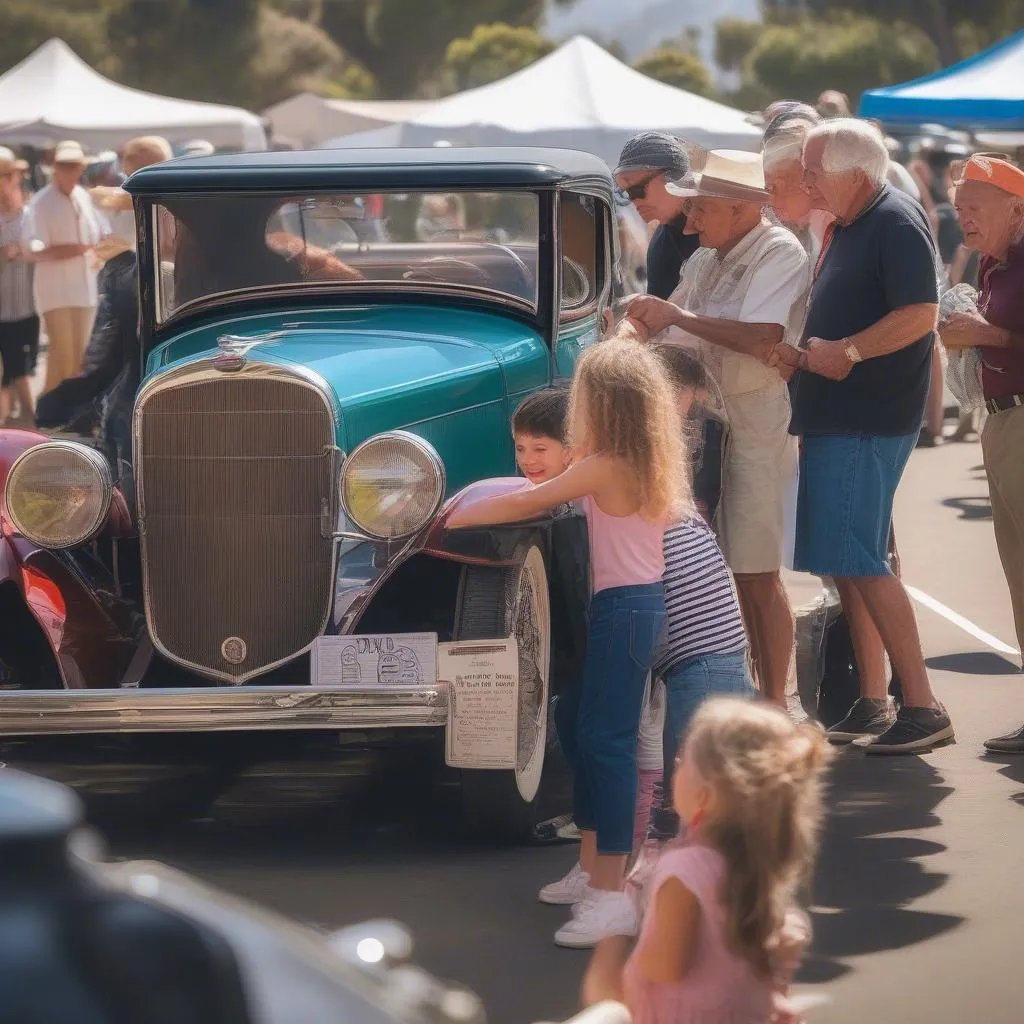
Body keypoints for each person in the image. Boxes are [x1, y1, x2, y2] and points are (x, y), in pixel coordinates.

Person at [449, 336, 686, 947]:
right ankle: (594, 869)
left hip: (626, 608)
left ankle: (612, 895)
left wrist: (447, 516)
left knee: (605, 742)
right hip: (624, 606)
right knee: (581, 724)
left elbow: (529, 499)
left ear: (603, 403)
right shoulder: (623, 456)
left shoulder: (607, 463)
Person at [781, 118, 954, 753]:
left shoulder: (893, 219)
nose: (803, 180)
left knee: (860, 560)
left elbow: (921, 314)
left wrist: (847, 351)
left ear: (852, 172)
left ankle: (922, 704)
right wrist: (806, 356)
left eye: (811, 169)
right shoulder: (857, 223)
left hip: (865, 418)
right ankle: (877, 697)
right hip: (839, 416)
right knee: (846, 561)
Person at [627, 150, 808, 708]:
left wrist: (670, 319)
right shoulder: (708, 256)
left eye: (702, 208)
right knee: (726, 568)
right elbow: (666, 323)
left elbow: (759, 336)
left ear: (741, 208)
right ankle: (758, 693)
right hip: (711, 419)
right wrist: (634, 328)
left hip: (755, 416)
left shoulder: (780, 250)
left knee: (755, 569)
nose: (689, 219)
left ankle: (776, 700)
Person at [581, 698, 830, 1024]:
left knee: (604, 1010)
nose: (677, 765)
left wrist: (614, 932)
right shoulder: (757, 867)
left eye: (683, 761)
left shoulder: (684, 872)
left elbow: (661, 969)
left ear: (704, 796)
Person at [940, 154, 1024, 754]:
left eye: (975, 208)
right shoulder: (993, 263)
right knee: (1018, 577)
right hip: (1000, 423)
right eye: (959, 208)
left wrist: (984, 335)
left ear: (1016, 208)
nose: (963, 218)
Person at [34, 137, 173, 460]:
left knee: (117, 374)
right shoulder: (138, 193)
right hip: (126, 292)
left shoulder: (149, 192)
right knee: (103, 369)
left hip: (143, 292)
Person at [22, 140, 107, 394]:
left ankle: (52, 411)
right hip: (56, 292)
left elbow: (100, 233)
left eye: (75, 166)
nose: (71, 171)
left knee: (75, 356)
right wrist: (72, 249)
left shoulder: (84, 196)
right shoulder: (41, 202)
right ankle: (66, 413)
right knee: (65, 354)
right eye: (65, 166)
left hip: (84, 288)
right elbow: (32, 247)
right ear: (55, 168)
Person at [614, 132, 699, 300]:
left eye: (637, 189)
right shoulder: (661, 245)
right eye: (627, 193)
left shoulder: (721, 230)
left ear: (674, 178)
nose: (633, 200)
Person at [0, 147, 38, 427]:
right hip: (4, 306)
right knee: (14, 366)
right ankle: (26, 417)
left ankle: (22, 417)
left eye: (6, 176)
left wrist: (27, 252)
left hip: (28, 304)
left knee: (20, 365)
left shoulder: (30, 214)